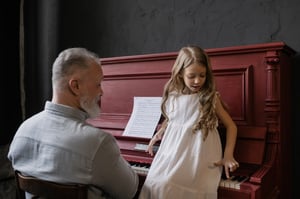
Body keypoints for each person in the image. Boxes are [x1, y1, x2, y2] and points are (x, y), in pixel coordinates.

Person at [7, 48, 139, 199]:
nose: (101, 92)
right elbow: (130, 191)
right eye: (98, 84)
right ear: (75, 86)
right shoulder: (98, 142)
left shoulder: (23, 131)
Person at [139, 46, 239, 199]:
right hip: (174, 151)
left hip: (198, 155)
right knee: (154, 182)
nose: (198, 80)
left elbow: (231, 126)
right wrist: (159, 134)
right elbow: (172, 118)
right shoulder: (173, 96)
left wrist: (228, 156)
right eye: (191, 76)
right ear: (180, 74)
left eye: (202, 75)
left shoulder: (210, 97)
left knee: (167, 184)